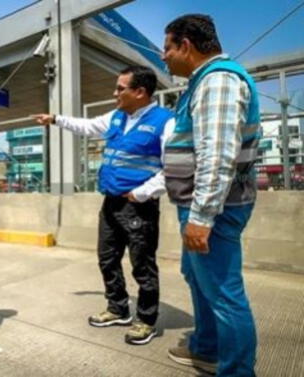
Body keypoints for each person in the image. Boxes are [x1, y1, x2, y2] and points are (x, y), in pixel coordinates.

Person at [33, 65, 174, 345]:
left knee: (142, 265)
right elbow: (87, 126)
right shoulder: (117, 116)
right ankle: (118, 308)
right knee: (107, 258)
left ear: (140, 92)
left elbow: (174, 168)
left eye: (121, 88)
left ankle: (145, 320)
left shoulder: (165, 121)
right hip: (110, 203)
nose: (115, 93)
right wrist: (55, 119)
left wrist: (142, 194)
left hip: (138, 207)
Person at [162, 14, 260, 376]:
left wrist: (202, 218)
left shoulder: (218, 81)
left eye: (167, 48)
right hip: (200, 205)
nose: (163, 56)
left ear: (186, 46)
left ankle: (235, 370)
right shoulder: (203, 81)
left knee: (224, 294)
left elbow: (217, 156)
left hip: (213, 210)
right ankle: (206, 348)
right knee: (198, 277)